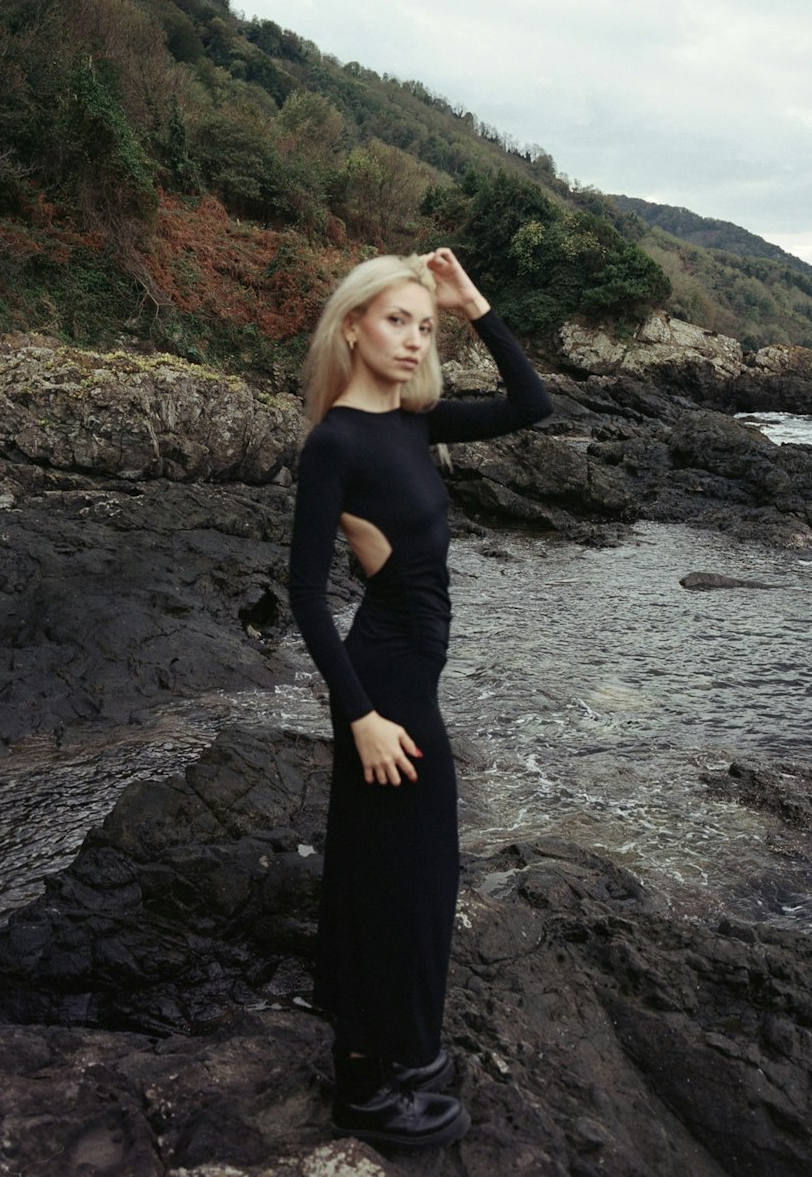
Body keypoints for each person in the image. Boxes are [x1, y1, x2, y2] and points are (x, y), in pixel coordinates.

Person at [288, 247, 551, 1148]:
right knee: (390, 879)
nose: (412, 339)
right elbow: (305, 596)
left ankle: (401, 1045)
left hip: (411, 677)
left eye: (424, 325)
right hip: (386, 684)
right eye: (396, 319)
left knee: (417, 873)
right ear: (352, 325)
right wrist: (359, 717)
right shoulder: (336, 442)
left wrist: (476, 303)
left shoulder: (414, 420)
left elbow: (532, 405)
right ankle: (363, 1080)